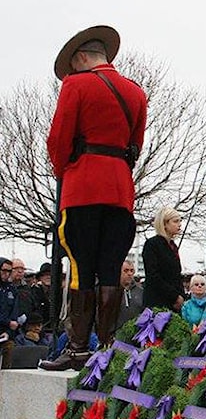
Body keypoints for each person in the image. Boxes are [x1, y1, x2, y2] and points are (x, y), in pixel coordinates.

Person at [40, 25, 147, 371]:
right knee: (111, 269)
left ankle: (76, 349)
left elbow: (59, 140)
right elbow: (136, 144)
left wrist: (64, 168)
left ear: (81, 58)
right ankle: (106, 346)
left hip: (83, 186)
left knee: (81, 268)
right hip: (119, 190)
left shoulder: (76, 85)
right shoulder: (135, 92)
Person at [142, 207, 184, 312]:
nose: (179, 224)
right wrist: (174, 296)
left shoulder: (173, 246)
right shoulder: (152, 244)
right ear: (164, 224)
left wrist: (181, 296)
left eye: (180, 221)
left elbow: (177, 275)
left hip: (174, 304)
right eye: (175, 221)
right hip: (157, 303)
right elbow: (153, 275)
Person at [0, 258, 22, 368]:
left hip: (5, 334)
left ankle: (5, 380)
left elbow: (15, 313)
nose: (6, 274)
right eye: (4, 270)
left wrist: (9, 332)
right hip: (4, 325)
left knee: (11, 348)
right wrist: (8, 323)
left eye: (9, 271)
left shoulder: (12, 290)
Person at [117, 258, 144, 326]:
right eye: (126, 271)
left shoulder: (141, 291)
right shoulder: (112, 292)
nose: (129, 273)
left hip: (136, 333)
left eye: (132, 271)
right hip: (114, 333)